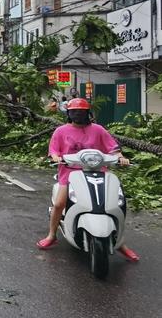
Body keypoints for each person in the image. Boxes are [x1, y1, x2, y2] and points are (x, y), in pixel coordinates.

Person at [37, 98, 139, 261]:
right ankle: (51, 235)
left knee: (116, 205)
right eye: (74, 111)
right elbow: (54, 150)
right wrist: (56, 157)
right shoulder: (61, 131)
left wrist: (121, 157)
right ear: (69, 114)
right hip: (70, 174)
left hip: (98, 173)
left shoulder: (98, 130)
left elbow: (112, 148)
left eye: (82, 111)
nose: (78, 114)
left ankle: (120, 243)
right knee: (58, 204)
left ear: (88, 113)